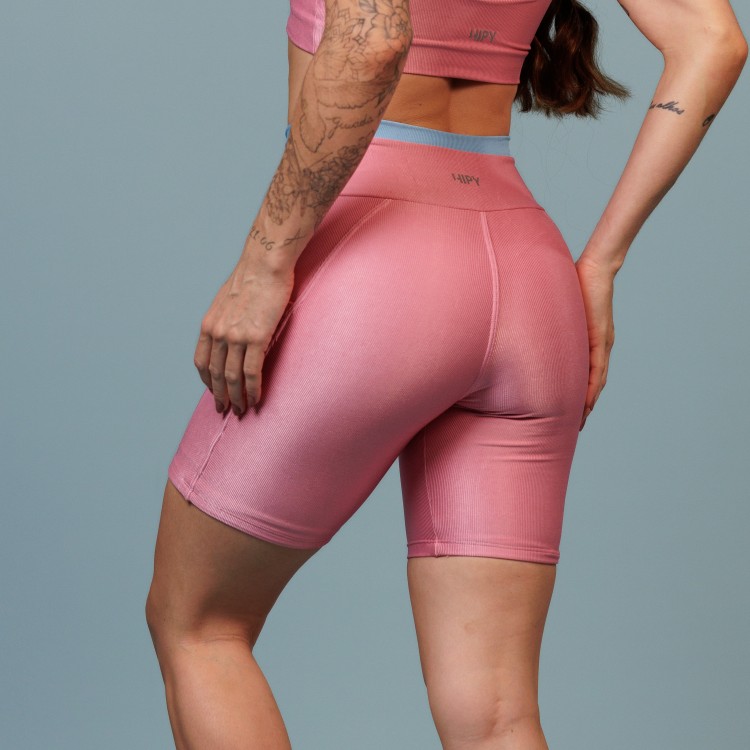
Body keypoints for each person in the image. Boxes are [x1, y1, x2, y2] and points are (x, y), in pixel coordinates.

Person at [145, 0, 747, 747]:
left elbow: (373, 41)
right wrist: (600, 265)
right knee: (496, 716)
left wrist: (265, 262)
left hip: (376, 268)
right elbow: (714, 41)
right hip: (529, 281)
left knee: (201, 628)